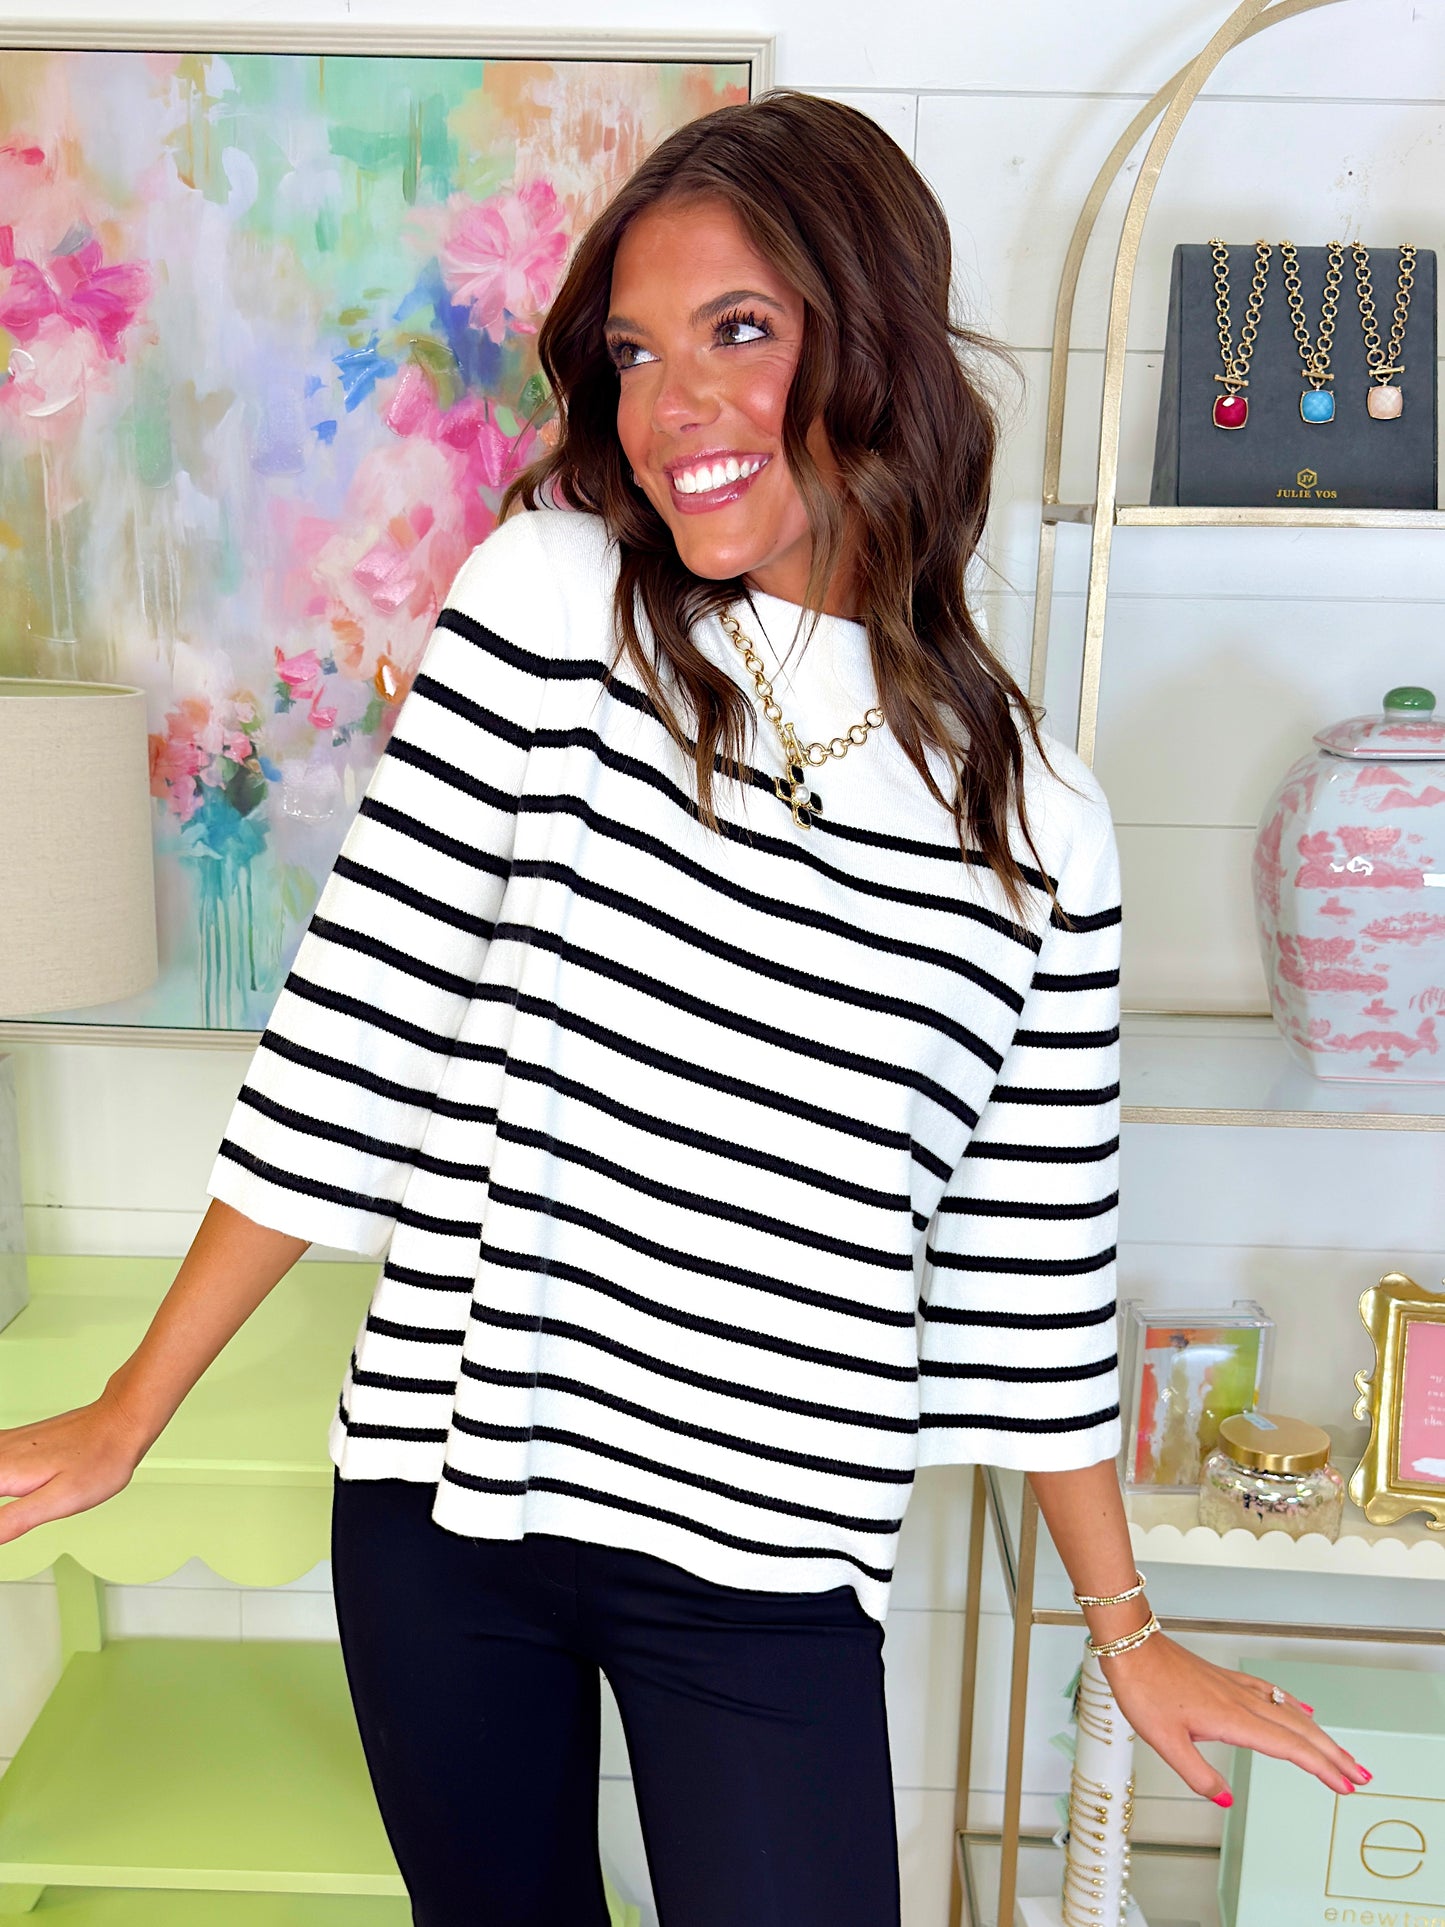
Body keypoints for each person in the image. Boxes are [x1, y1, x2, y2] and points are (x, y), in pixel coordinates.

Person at [0, 87, 1367, 1927]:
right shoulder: (552, 608)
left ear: (869, 343)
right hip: (451, 1504)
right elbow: (357, 1032)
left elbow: (1026, 1262)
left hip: (770, 1552)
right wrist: (127, 1410)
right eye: (637, 353)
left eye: (739, 330)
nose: (672, 406)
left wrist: (1126, 1630)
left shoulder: (1033, 816)